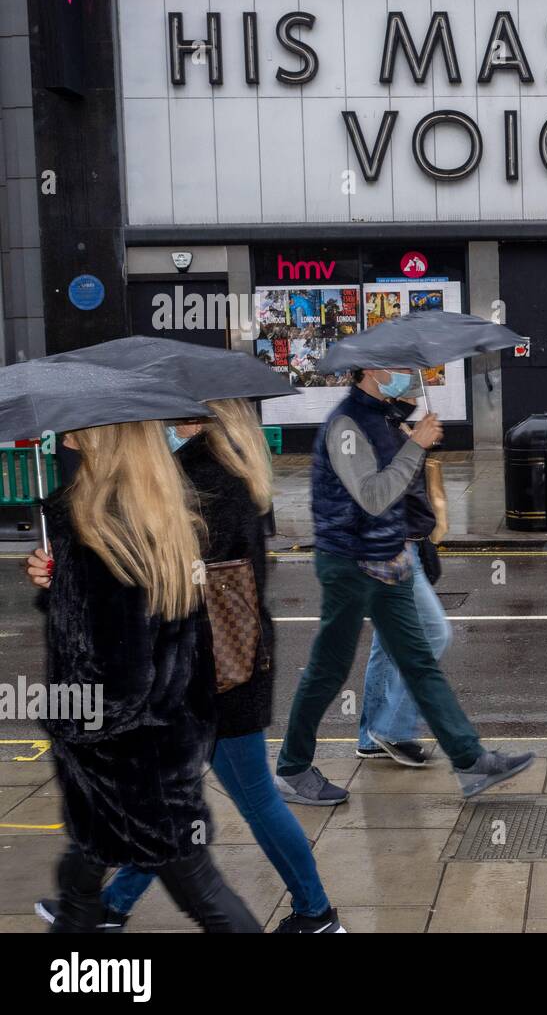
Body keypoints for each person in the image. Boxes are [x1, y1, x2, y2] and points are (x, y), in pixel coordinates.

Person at [28, 399, 344, 933]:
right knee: (163, 816)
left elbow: (146, 596)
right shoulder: (224, 467)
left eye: (167, 420)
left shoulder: (200, 483)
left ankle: (316, 913)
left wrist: (75, 573)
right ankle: (109, 906)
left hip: (214, 675)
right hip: (219, 667)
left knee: (247, 804)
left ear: (191, 421)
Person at [35, 419, 261, 933]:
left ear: (102, 436)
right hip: (163, 736)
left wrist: (67, 722)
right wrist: (58, 585)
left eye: (75, 425)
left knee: (199, 889)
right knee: (85, 867)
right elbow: (125, 624)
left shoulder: (100, 528)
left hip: (127, 759)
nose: (63, 431)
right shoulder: (146, 510)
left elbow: (120, 673)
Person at [275, 367, 533, 803]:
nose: (406, 377)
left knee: (418, 661)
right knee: (329, 667)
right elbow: (373, 496)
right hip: (350, 564)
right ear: (373, 371)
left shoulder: (379, 417)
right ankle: (292, 767)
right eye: (397, 368)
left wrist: (409, 435)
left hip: (388, 559)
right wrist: (414, 445)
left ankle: (470, 762)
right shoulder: (347, 425)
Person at [357, 397, 453, 766]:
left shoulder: (390, 425)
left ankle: (370, 736)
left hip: (402, 544)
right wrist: (415, 444)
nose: (412, 390)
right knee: (434, 632)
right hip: (394, 550)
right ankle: (393, 728)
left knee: (385, 643)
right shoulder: (373, 427)